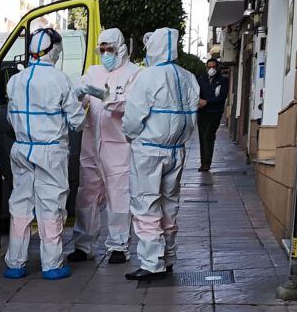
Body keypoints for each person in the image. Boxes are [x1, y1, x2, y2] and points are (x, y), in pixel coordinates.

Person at [4, 28, 87, 280]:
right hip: (50, 151)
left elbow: (10, 116)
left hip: (21, 149)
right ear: (53, 51)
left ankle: (15, 264)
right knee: (50, 205)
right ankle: (51, 264)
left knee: (20, 205)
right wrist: (83, 104)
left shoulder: (15, 80)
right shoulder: (60, 80)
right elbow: (77, 121)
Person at [121, 28, 200, 281]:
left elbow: (133, 118)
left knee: (145, 204)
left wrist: (131, 135)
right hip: (176, 151)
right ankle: (168, 257)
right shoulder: (187, 77)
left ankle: (151, 262)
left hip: (149, 150)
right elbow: (190, 116)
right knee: (169, 205)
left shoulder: (147, 77)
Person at [68, 28, 141, 265]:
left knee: (118, 196)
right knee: (86, 195)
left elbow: (133, 106)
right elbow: (78, 99)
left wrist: (108, 98)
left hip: (118, 146)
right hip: (91, 145)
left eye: (110, 49)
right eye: (102, 49)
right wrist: (78, 94)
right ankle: (83, 245)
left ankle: (119, 246)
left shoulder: (134, 73)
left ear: (120, 48)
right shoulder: (93, 72)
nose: (105, 53)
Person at [196, 58, 227, 171]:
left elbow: (222, 97)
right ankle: (203, 162)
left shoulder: (222, 80)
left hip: (215, 112)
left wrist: (207, 102)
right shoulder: (202, 79)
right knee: (202, 137)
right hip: (203, 112)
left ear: (217, 67)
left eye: (213, 67)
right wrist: (199, 102)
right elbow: (196, 92)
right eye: (209, 67)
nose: (211, 69)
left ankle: (206, 164)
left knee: (208, 136)